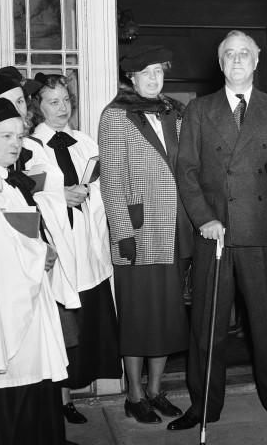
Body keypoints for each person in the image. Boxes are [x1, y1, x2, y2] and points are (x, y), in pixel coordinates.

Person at [170, 30, 267, 431]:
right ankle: (203, 405)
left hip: (264, 230)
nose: (236, 60)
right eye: (229, 55)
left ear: (257, 60)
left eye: (243, 54)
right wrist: (204, 218)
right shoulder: (199, 109)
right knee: (207, 326)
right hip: (215, 232)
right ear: (220, 62)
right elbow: (187, 171)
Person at [98, 44, 194, 424]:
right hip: (138, 232)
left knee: (168, 316)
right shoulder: (115, 116)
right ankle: (134, 394)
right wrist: (122, 231)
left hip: (175, 230)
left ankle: (156, 390)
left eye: (159, 72)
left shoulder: (174, 112)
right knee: (139, 316)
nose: (154, 79)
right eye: (146, 73)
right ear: (131, 78)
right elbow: (111, 180)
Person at [29, 73, 122, 422]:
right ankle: (62, 399)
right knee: (63, 325)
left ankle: (79, 392)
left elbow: (102, 183)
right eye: (53, 102)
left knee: (90, 322)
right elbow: (28, 193)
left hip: (88, 244)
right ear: (38, 108)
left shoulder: (83, 140)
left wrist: (88, 191)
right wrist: (59, 195)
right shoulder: (29, 146)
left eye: (66, 100)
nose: (63, 107)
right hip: (59, 246)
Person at [0, 98, 69, 445]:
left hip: (30, 293)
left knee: (37, 380)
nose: (15, 144)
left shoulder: (4, 178)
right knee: (16, 381)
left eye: (19, 136)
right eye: (6, 136)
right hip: (8, 299)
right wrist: (40, 254)